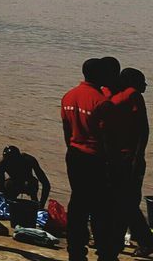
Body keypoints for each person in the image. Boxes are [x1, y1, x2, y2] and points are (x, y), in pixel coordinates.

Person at [62, 58, 118, 261]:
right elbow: (108, 139)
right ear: (100, 75)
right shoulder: (102, 102)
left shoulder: (69, 96)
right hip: (96, 159)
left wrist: (72, 150)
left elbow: (66, 129)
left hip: (74, 155)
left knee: (77, 204)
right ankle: (104, 253)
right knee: (101, 208)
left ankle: (75, 250)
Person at [104, 68, 153, 257]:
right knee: (127, 202)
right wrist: (137, 156)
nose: (145, 85)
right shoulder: (131, 95)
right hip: (127, 160)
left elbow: (143, 130)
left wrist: (136, 157)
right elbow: (143, 129)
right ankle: (139, 241)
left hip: (128, 160)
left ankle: (143, 241)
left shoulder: (126, 96)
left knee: (127, 202)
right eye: (142, 80)